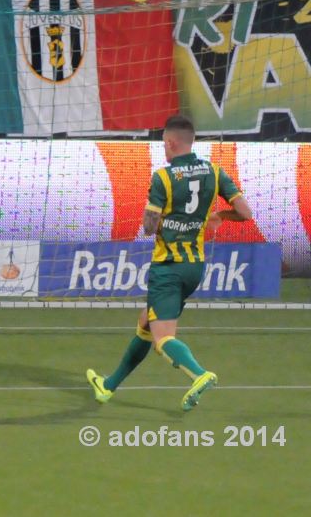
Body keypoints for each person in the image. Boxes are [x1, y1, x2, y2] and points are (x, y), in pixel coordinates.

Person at [87, 115, 253, 411]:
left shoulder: (163, 177)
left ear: (171, 142)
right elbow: (245, 211)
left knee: (162, 339)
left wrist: (165, 218)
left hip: (168, 269)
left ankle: (200, 375)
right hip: (195, 267)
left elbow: (149, 227)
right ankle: (108, 386)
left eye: (164, 142)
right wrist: (218, 217)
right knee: (146, 322)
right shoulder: (214, 172)